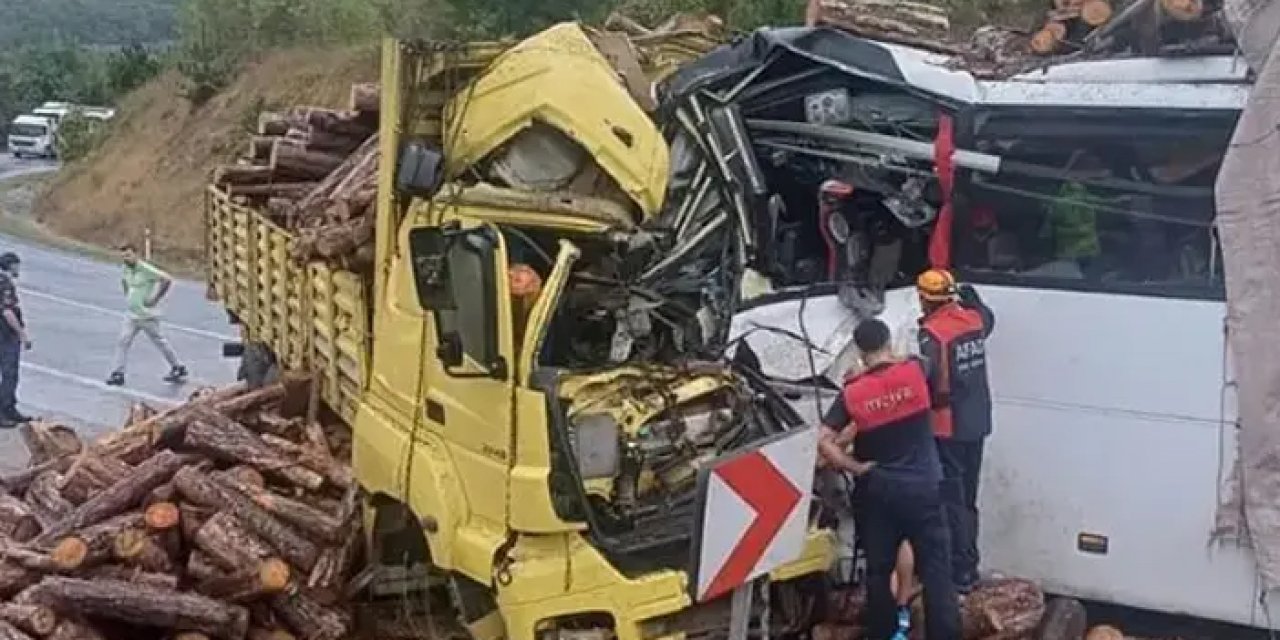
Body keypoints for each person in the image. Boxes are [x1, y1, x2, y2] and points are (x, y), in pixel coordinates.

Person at [819, 318, 960, 640]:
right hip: (925, 488)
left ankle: (883, 633)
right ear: (888, 342)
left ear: (858, 349)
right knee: (938, 572)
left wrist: (855, 467)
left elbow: (824, 441)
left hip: (879, 492)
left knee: (879, 573)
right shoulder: (915, 370)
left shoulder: (852, 394)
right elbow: (927, 370)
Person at [916, 268, 996, 593]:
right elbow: (988, 317)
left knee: (952, 500)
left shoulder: (932, 334)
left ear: (925, 300)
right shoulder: (974, 321)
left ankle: (961, 570)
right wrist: (973, 297)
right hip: (977, 421)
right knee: (969, 497)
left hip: (947, 425)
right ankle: (969, 564)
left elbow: (928, 380)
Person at [106, 244, 188, 386]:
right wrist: (129, 296)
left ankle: (178, 366)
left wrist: (155, 298)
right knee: (123, 341)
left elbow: (167, 279)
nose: (126, 258)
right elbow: (124, 281)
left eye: (129, 255)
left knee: (159, 341)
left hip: (146, 315)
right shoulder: (126, 269)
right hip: (132, 315)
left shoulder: (146, 270)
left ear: (136, 255)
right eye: (124, 256)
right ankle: (118, 373)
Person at [0, 252, 30, 426]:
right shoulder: (5, 284)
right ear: (11, 266)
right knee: (9, 375)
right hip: (6, 334)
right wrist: (22, 334)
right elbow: (7, 311)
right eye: (17, 265)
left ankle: (9, 408)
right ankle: (4, 410)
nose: (18, 269)